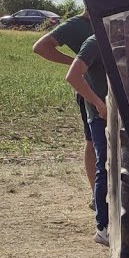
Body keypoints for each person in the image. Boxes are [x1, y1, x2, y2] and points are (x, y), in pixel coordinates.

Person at [33, 11, 95, 195]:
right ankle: (96, 194)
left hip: (122, 92)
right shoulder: (75, 25)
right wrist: (76, 63)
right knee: (92, 140)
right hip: (90, 92)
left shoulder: (116, 18)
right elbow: (41, 47)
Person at [63, 35, 110, 246]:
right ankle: (103, 227)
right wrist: (99, 105)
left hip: (127, 114)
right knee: (105, 166)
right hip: (101, 116)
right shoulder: (95, 41)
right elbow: (73, 76)